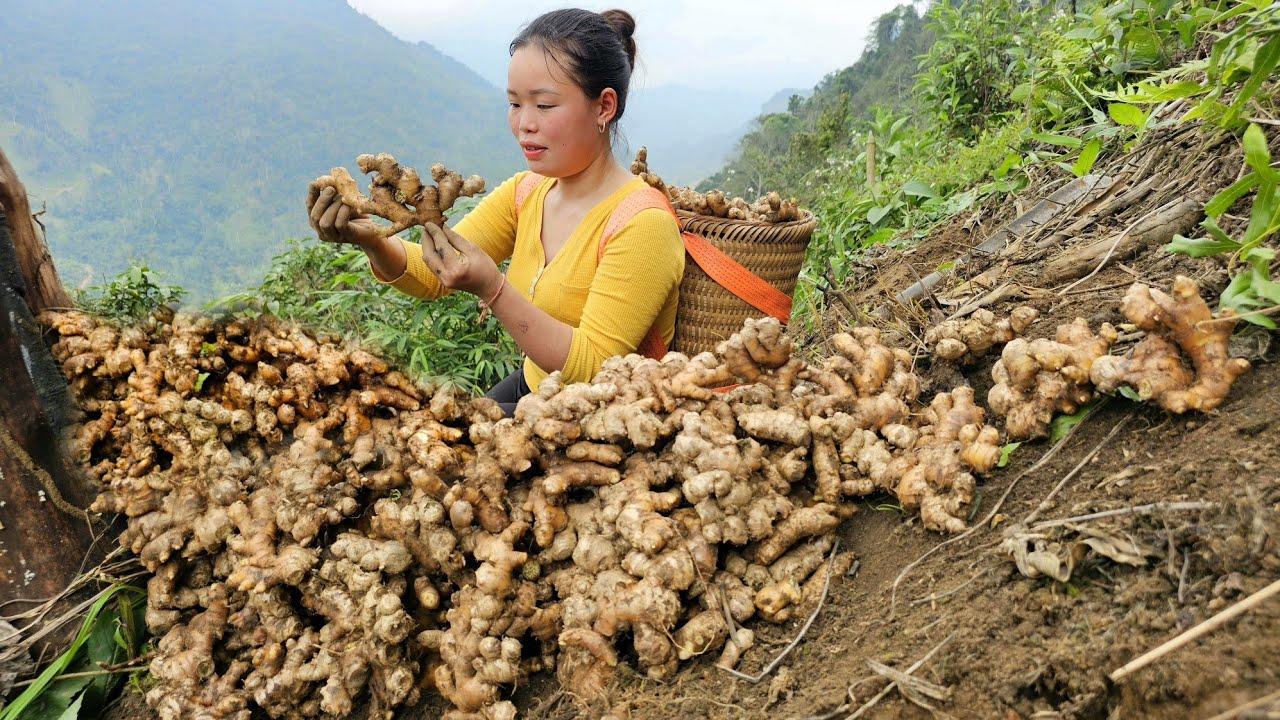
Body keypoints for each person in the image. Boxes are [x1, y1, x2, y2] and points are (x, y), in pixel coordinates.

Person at [306, 8, 684, 417]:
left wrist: (494, 289)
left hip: (602, 416)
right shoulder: (527, 193)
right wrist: (370, 238)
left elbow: (592, 368)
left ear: (604, 106)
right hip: (538, 386)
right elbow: (433, 274)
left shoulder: (643, 225)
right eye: (514, 104)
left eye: (544, 105)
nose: (524, 124)